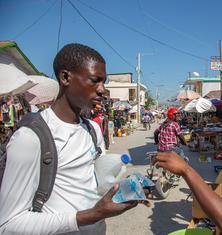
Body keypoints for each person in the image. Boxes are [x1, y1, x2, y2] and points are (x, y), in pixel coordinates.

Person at [0, 43, 138, 234]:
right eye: (95, 81)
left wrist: (123, 190)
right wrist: (90, 216)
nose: (102, 90)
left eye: (103, 82)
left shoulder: (93, 130)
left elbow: (96, 185)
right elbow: (9, 224)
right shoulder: (31, 138)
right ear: (66, 77)